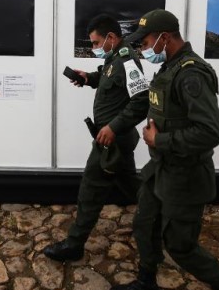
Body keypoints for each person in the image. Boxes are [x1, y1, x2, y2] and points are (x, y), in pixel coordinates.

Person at [109, 9, 219, 290]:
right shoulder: (169, 68)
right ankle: (147, 284)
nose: (144, 49)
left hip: (185, 175)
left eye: (147, 42)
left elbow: (210, 132)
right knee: (144, 224)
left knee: (180, 246)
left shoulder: (192, 74)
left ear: (166, 37)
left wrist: (158, 138)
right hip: (160, 168)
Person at [43, 14, 150, 262]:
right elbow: (107, 77)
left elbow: (141, 101)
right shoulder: (115, 58)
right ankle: (162, 215)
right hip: (115, 139)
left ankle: (74, 244)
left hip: (112, 140)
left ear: (111, 37)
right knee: (132, 186)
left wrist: (113, 127)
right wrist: (87, 78)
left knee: (91, 189)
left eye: (95, 42)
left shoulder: (128, 61)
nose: (93, 48)